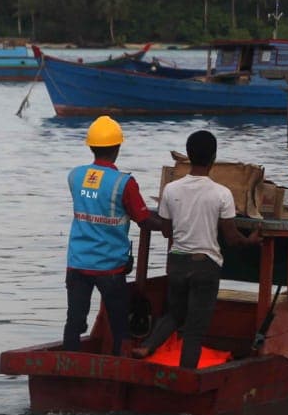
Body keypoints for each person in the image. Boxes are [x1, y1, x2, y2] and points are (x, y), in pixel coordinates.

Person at [136, 130, 261, 369]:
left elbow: (165, 231)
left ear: (189, 156)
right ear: (213, 157)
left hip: (177, 263)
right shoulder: (221, 194)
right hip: (205, 265)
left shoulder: (171, 189)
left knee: (175, 314)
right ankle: (185, 377)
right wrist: (251, 240)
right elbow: (232, 238)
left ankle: (147, 345)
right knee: (194, 329)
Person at [63, 116, 168, 355]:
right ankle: (118, 367)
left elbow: (92, 200)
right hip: (109, 266)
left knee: (74, 321)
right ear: (117, 147)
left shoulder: (75, 176)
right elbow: (144, 220)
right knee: (120, 325)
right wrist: (170, 225)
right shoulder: (124, 183)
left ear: (91, 146)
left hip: (78, 263)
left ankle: (68, 366)